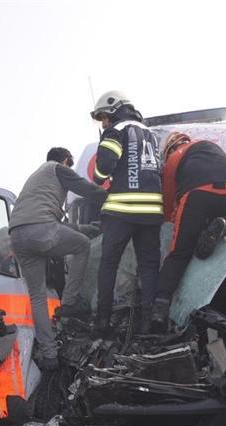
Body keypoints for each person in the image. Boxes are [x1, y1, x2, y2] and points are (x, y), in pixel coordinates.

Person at [8, 147, 106, 369]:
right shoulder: (58, 169)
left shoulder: (36, 180)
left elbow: (51, 225)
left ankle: (49, 355)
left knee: (37, 297)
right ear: (65, 160)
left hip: (17, 235)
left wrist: (83, 227)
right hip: (40, 230)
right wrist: (113, 196)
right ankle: (70, 302)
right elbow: (87, 190)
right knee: (81, 246)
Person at [151, 132, 226, 332]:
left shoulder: (176, 156)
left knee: (180, 251)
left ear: (169, 149)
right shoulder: (209, 147)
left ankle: (160, 307)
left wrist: (171, 227)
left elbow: (168, 202)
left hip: (199, 191)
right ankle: (225, 226)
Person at [90, 90, 163, 336]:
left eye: (103, 118)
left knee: (109, 264)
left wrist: (98, 176)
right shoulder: (152, 135)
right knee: (149, 266)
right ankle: (147, 322)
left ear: (113, 111)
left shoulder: (116, 130)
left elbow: (103, 169)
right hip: (152, 212)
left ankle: (102, 321)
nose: (103, 123)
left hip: (121, 210)